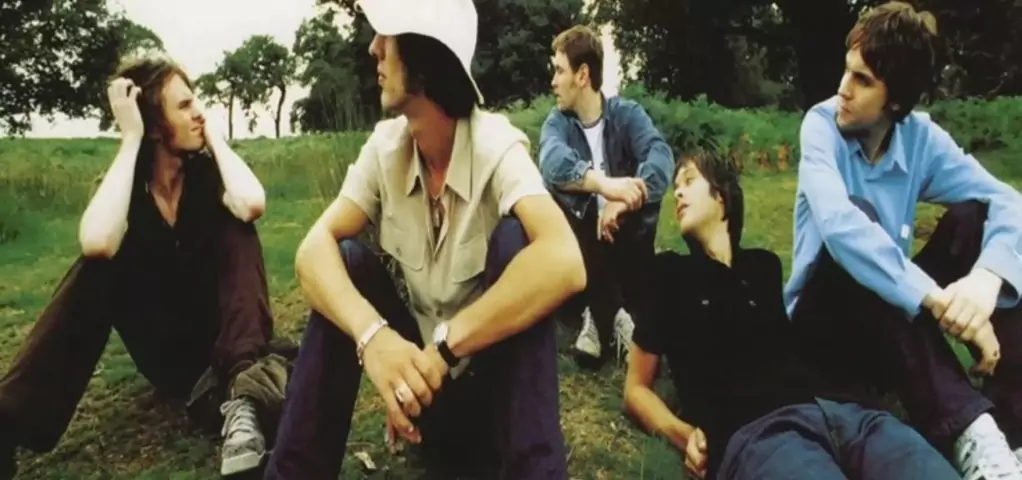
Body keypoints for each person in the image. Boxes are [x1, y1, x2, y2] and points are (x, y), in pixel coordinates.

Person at [263, 0, 585, 478]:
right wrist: (375, 340)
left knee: (520, 242)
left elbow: (565, 261)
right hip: (427, 396)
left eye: (387, 37)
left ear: (424, 56)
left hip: (496, 403)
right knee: (345, 260)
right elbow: (313, 251)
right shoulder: (386, 148)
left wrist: (446, 349)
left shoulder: (495, 145)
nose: (374, 49)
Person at [0, 53, 292, 478]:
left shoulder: (207, 177)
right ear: (155, 126)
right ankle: (7, 422)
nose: (199, 113)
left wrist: (216, 140)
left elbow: (251, 204)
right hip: (166, 353)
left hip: (225, 347)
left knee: (238, 226)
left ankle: (244, 397)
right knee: (98, 265)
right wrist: (130, 138)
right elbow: (97, 243)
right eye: (185, 106)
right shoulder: (126, 190)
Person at [785, 2, 1022, 479]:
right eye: (847, 71)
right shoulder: (821, 125)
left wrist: (986, 280)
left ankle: (1012, 429)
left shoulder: (920, 139)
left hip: (889, 325)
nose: (843, 88)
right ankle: (972, 434)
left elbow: (1008, 201)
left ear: (896, 101)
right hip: (822, 323)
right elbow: (840, 226)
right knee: (864, 228)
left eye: (862, 80)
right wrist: (938, 299)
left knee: (974, 220)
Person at [624, 151, 961, 480]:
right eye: (675, 187)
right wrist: (684, 435)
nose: (677, 193)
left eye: (688, 181)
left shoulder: (763, 268)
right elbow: (636, 388)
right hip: (761, 434)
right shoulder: (670, 274)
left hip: (848, 414)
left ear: (721, 196)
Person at [540, 25, 674, 365]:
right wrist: (603, 186)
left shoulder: (627, 115)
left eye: (559, 71)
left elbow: (660, 156)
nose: (553, 81)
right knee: (572, 206)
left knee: (625, 215)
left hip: (627, 242)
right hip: (583, 246)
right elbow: (551, 161)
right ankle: (612, 314)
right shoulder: (558, 122)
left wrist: (622, 201)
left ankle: (596, 314)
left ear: (583, 74)